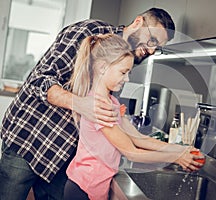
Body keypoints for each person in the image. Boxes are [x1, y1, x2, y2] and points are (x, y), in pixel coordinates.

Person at [0, 7, 176, 200]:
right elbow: (39, 80)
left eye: (157, 47)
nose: (151, 50)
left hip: (65, 158)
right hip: (31, 140)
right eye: (152, 40)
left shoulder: (124, 61)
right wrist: (80, 104)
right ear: (137, 22)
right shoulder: (87, 32)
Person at [63, 33, 203, 200]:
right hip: (82, 190)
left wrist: (182, 149)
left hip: (91, 187)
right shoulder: (98, 107)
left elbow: (139, 139)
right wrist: (176, 157)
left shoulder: (111, 102)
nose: (127, 78)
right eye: (123, 72)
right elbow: (131, 152)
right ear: (102, 67)